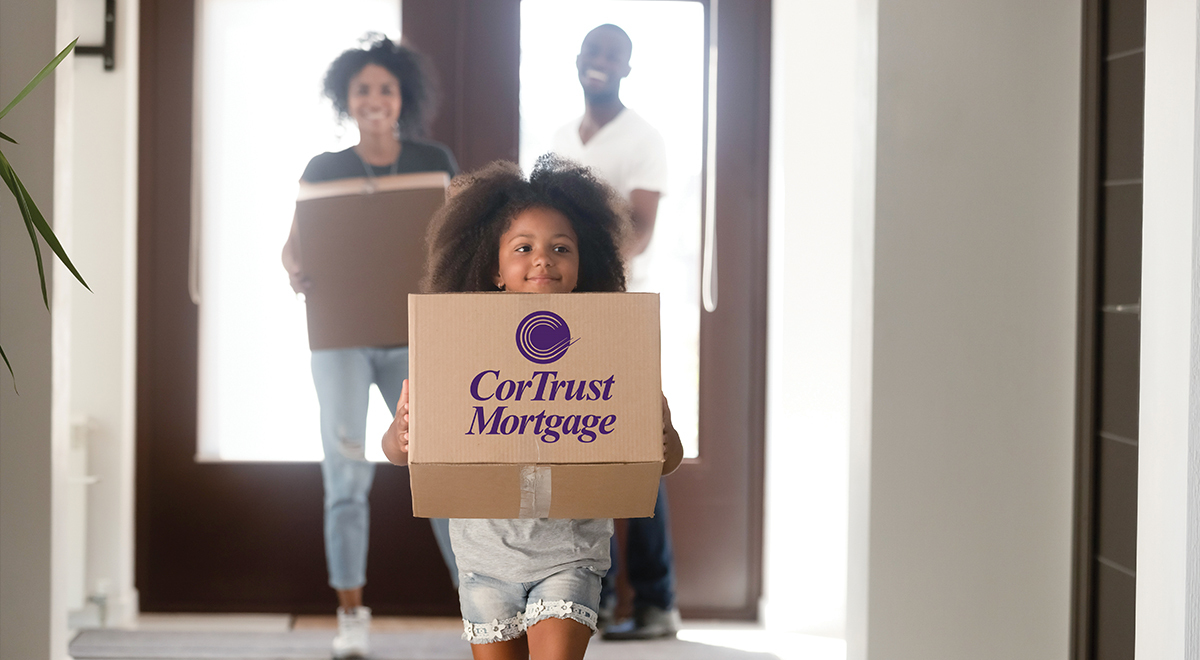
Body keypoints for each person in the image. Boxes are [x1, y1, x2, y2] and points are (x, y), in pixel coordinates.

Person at [381, 155, 685, 660]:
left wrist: (664, 434)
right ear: (494, 268)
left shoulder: (609, 348)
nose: (543, 259)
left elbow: (660, 461)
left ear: (584, 262)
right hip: (483, 563)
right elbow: (399, 452)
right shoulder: (456, 347)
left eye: (560, 248)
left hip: (571, 556)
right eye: (523, 248)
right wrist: (402, 432)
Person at [280, 35, 459, 660]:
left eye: (385, 88)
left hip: (415, 337)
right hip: (341, 343)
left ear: (403, 96)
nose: (375, 98)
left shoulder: (435, 160)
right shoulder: (322, 169)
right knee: (346, 477)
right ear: (346, 100)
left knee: (441, 470)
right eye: (363, 90)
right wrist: (295, 268)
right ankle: (351, 616)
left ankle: (480, 608)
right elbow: (293, 247)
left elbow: (460, 245)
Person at [550, 24, 679, 640]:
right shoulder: (558, 139)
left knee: (636, 450)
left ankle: (655, 602)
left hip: (621, 310)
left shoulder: (643, 139)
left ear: (626, 68)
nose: (599, 63)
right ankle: (594, 601)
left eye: (612, 55)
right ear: (578, 62)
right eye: (592, 53)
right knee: (582, 447)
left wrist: (594, 279)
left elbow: (642, 229)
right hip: (566, 316)